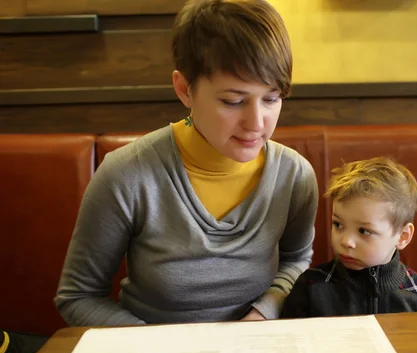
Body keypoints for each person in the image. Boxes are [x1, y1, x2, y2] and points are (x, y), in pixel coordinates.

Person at [55, 0, 318, 326]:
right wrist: (158, 348)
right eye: (233, 101)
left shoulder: (294, 175)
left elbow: (297, 259)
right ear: (184, 90)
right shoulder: (127, 174)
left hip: (255, 352)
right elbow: (78, 297)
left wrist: (265, 312)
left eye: (271, 98)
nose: (257, 123)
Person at [281, 157, 417, 318]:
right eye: (338, 224)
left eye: (364, 231)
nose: (346, 241)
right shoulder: (311, 286)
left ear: (402, 237)